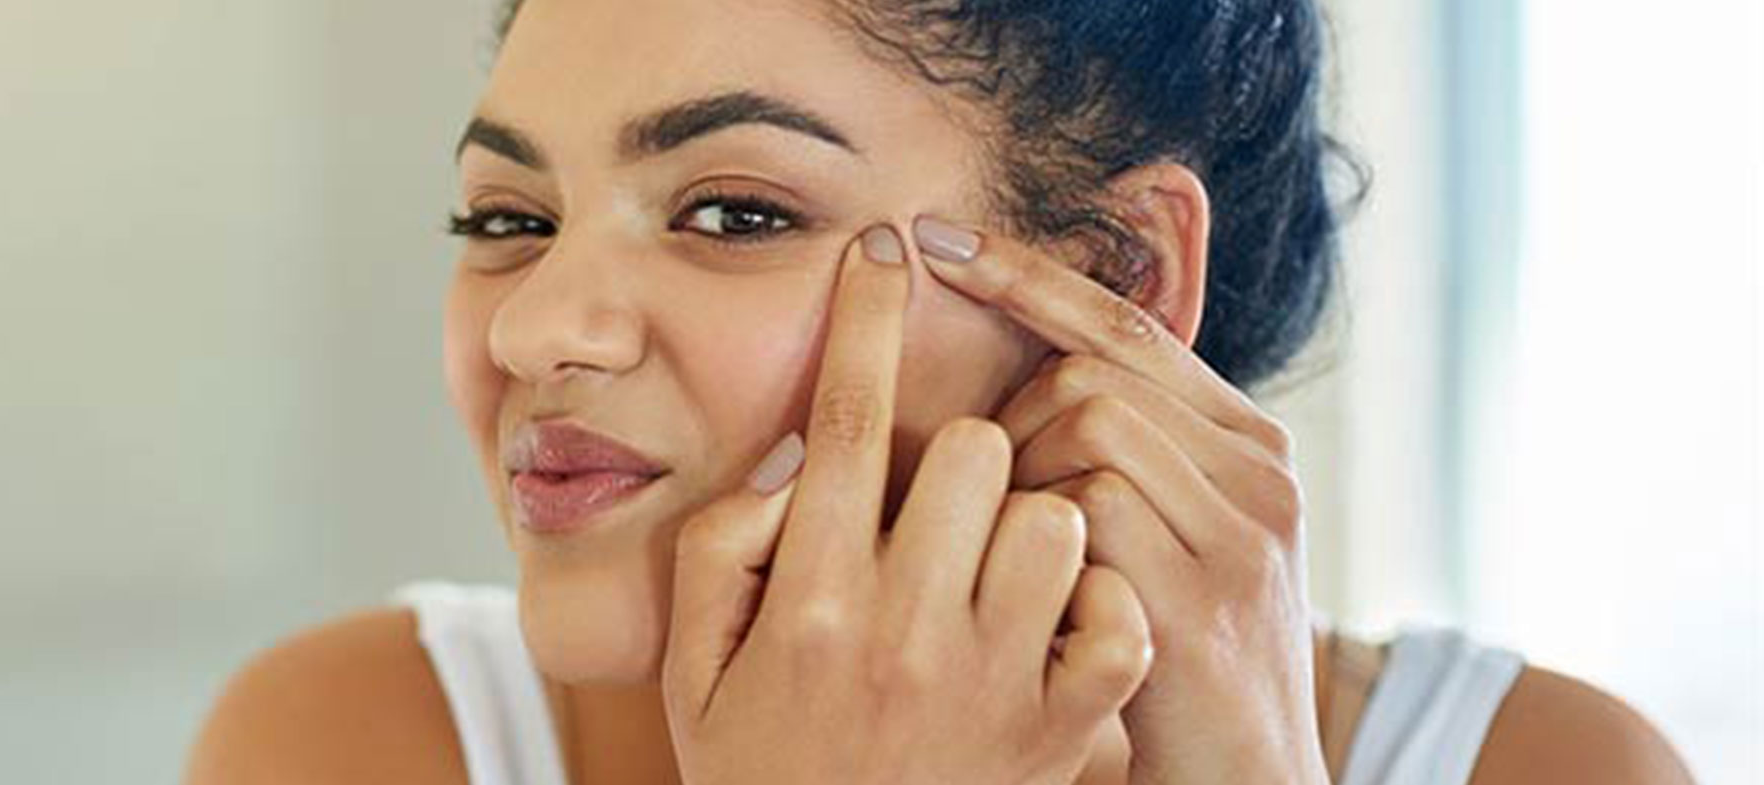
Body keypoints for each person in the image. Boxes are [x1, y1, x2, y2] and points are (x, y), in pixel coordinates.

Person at [185, 1, 1695, 783]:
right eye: (507, 219)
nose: (535, 332)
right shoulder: (364, 740)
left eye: (733, 212)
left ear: (1113, 272)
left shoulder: (1538, 770)